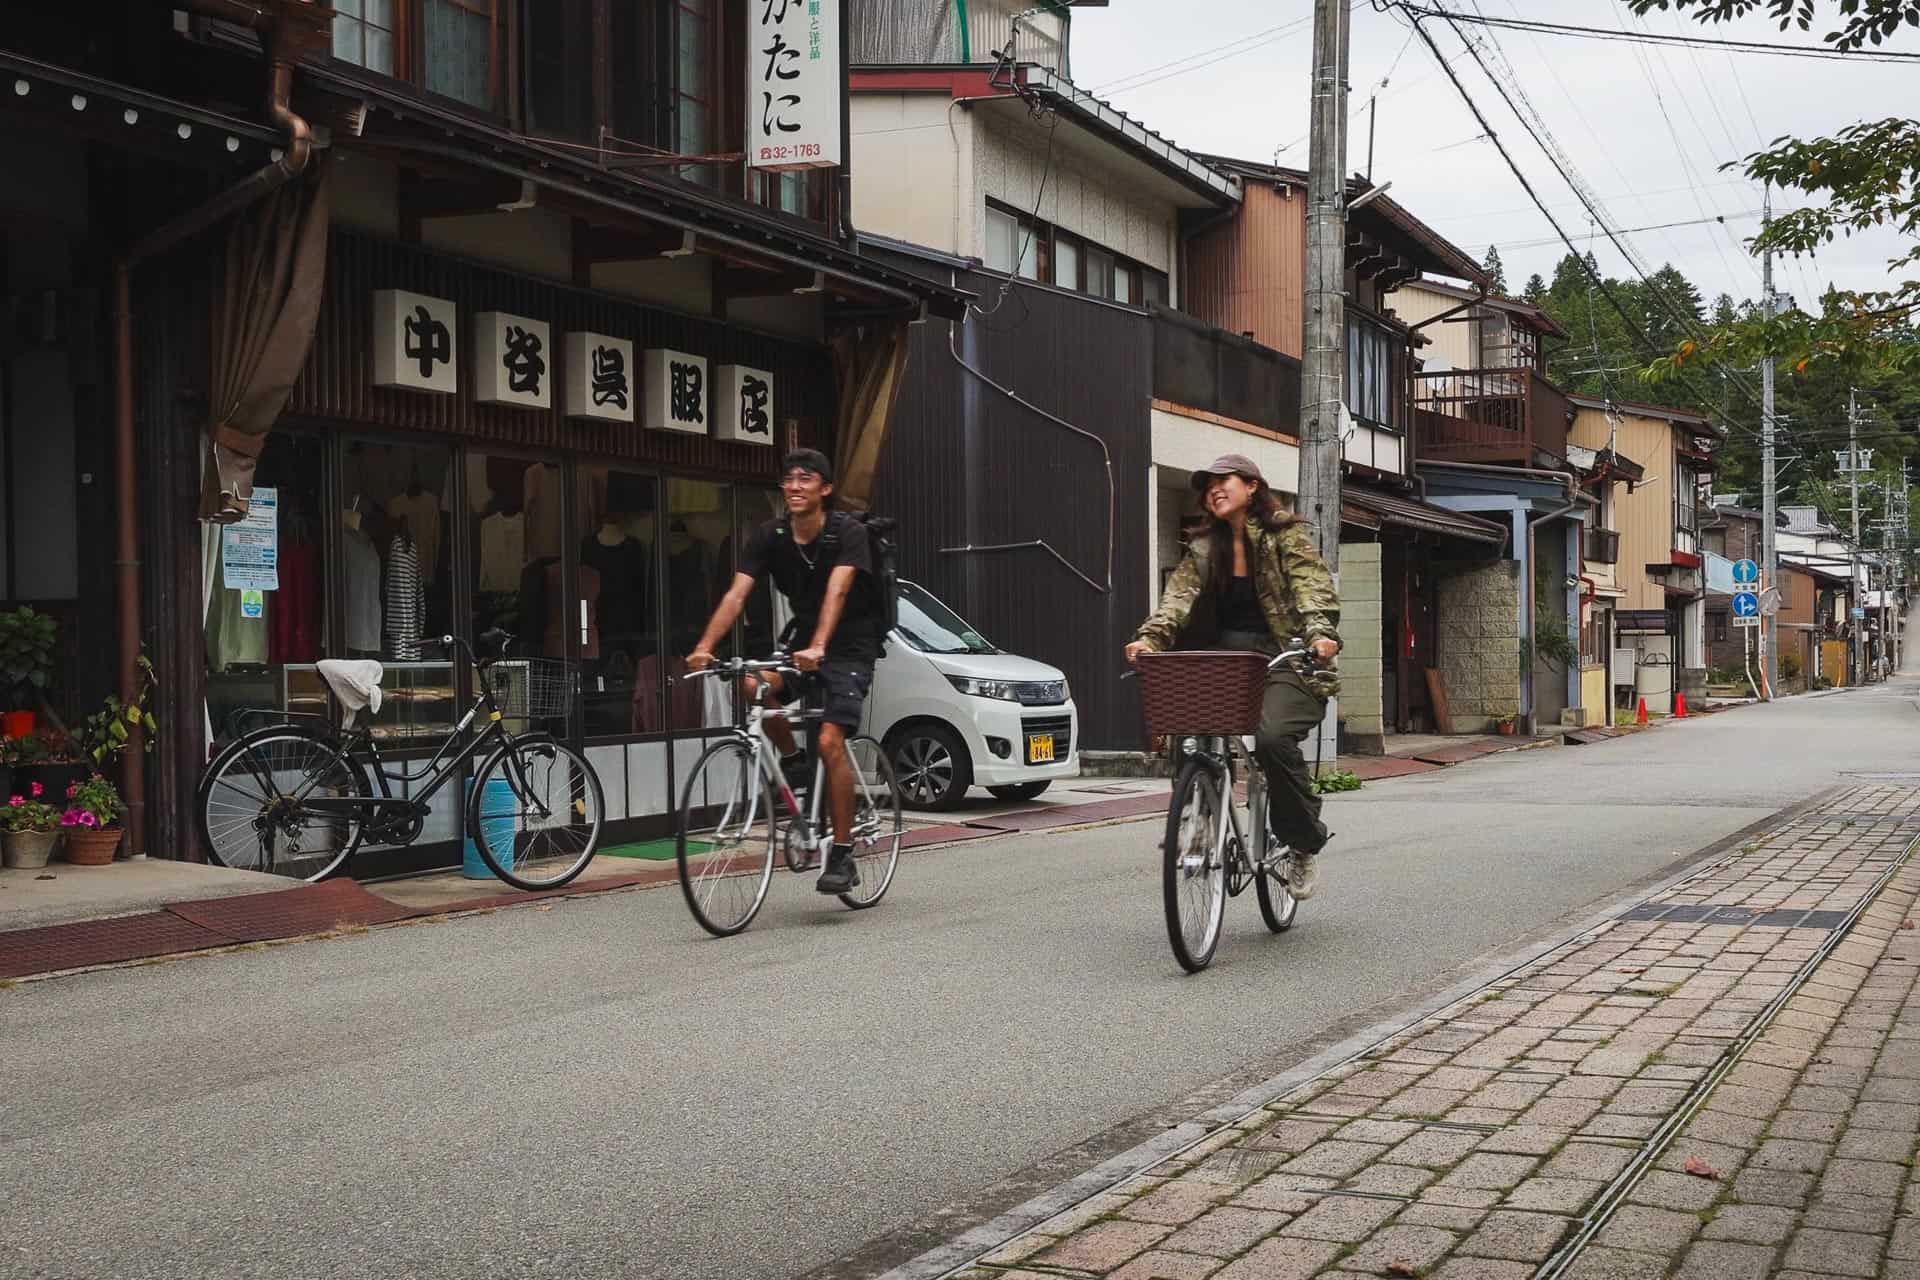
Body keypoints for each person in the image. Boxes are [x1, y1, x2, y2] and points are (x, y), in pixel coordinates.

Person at [1125, 454, 1342, 899]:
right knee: (1184, 720)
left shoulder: (1287, 536)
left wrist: (1320, 636)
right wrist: (1150, 639)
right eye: (1208, 486)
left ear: (1252, 487)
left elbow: (1311, 591)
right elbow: (1176, 603)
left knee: (1272, 739)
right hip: (1226, 659)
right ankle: (1198, 816)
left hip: (1288, 658)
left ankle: (1302, 842)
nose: (1214, 490)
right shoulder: (1205, 547)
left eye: (1224, 481)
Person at [687, 449, 882, 894]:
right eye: (789, 479)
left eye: (806, 478)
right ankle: (793, 763)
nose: (794, 486)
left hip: (850, 646)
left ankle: (843, 853)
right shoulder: (770, 535)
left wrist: (820, 645)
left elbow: (838, 590)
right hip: (802, 644)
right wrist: (704, 647)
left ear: (825, 489)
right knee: (750, 685)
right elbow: (737, 595)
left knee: (831, 739)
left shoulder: (847, 533)